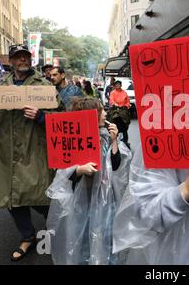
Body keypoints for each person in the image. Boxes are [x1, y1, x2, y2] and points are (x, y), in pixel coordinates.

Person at [0, 44, 55, 261]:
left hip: (35, 152)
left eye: (25, 56)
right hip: (7, 153)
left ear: (30, 59)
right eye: (17, 57)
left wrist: (42, 116)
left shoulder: (44, 86)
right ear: (11, 61)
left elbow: (62, 121)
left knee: (43, 198)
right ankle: (27, 236)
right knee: (11, 198)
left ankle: (59, 231)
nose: (22, 60)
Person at [46, 97, 131, 265]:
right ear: (91, 115)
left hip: (107, 202)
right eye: (101, 110)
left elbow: (116, 167)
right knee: (84, 237)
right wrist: (78, 170)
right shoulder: (74, 140)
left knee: (106, 236)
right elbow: (63, 175)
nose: (106, 113)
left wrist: (115, 141)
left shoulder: (106, 137)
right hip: (83, 203)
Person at [108, 81, 131, 146]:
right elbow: (111, 100)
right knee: (112, 119)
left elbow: (128, 101)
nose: (118, 85)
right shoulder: (113, 92)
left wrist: (126, 105)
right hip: (115, 109)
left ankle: (125, 140)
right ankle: (114, 139)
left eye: (119, 84)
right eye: (116, 84)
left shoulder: (124, 92)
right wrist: (115, 104)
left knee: (125, 122)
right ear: (115, 85)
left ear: (121, 85)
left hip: (123, 109)